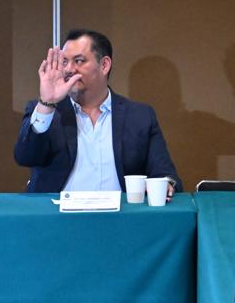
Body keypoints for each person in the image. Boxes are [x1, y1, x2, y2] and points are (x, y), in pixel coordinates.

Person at [15, 28, 181, 193]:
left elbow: (164, 173)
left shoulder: (139, 116)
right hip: (58, 209)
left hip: (120, 209)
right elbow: (25, 157)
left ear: (104, 65)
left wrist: (167, 185)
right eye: (65, 62)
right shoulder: (46, 111)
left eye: (79, 61)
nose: (69, 69)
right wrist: (47, 104)